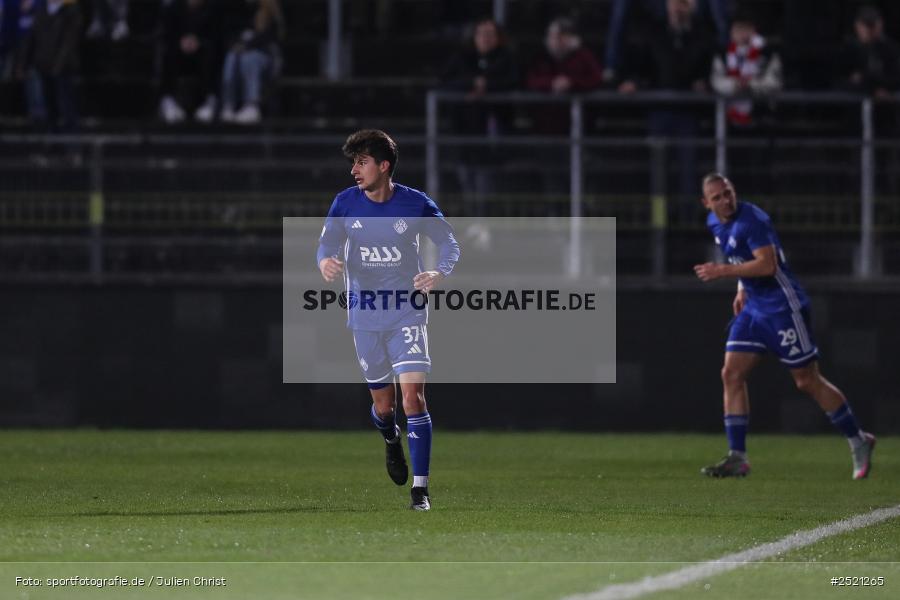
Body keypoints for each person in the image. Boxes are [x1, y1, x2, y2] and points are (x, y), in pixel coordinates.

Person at [693, 173, 876, 479]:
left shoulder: (753, 220)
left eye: (728, 193)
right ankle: (737, 457)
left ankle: (859, 439)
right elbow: (742, 257)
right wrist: (741, 287)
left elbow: (767, 265)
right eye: (718, 197)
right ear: (706, 203)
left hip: (782, 307)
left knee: (806, 381)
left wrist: (723, 272)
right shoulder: (715, 223)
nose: (725, 200)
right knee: (731, 373)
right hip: (753, 307)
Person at [316, 130, 461, 511]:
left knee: (414, 399)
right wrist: (324, 261)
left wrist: (438, 272)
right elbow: (326, 244)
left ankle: (421, 490)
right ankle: (390, 438)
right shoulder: (345, 203)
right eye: (353, 163)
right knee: (385, 408)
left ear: (383, 166)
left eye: (361, 162)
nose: (354, 170)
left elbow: (449, 243)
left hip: (407, 312)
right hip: (364, 315)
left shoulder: (415, 204)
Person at [617, 0, 715, 201]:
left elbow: (708, 66)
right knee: (658, 173)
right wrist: (633, 81)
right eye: (676, 4)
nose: (679, 8)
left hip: (688, 111)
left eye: (684, 4)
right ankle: (659, 224)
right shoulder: (654, 32)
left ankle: (686, 221)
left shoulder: (702, 34)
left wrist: (704, 82)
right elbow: (642, 65)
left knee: (688, 170)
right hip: (660, 110)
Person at [710, 12, 783, 127]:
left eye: (746, 28)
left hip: (760, 117)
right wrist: (734, 85)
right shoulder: (722, 54)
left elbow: (774, 82)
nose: (743, 34)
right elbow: (716, 81)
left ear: (753, 30)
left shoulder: (767, 54)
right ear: (731, 32)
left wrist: (751, 85)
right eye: (739, 29)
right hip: (728, 119)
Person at [157, 0, 224, 124]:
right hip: (179, 49)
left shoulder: (213, 8)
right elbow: (167, 33)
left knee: (211, 55)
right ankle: (169, 100)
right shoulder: (174, 7)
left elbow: (216, 36)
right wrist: (181, 41)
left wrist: (199, 42)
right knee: (168, 53)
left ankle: (209, 100)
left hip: (203, 50)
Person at [219, 0, 284, 125]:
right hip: (242, 54)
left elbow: (269, 39)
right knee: (231, 57)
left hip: (266, 58)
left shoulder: (269, 10)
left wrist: (247, 46)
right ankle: (229, 104)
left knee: (250, 57)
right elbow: (231, 33)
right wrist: (237, 46)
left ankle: (252, 104)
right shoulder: (240, 11)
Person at [837, 5, 900, 97]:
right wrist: (871, 89)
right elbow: (839, 80)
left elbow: (895, 77)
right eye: (866, 25)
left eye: (873, 25)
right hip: (856, 102)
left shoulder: (890, 49)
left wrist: (882, 87)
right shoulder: (848, 49)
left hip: (887, 101)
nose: (869, 30)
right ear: (857, 25)